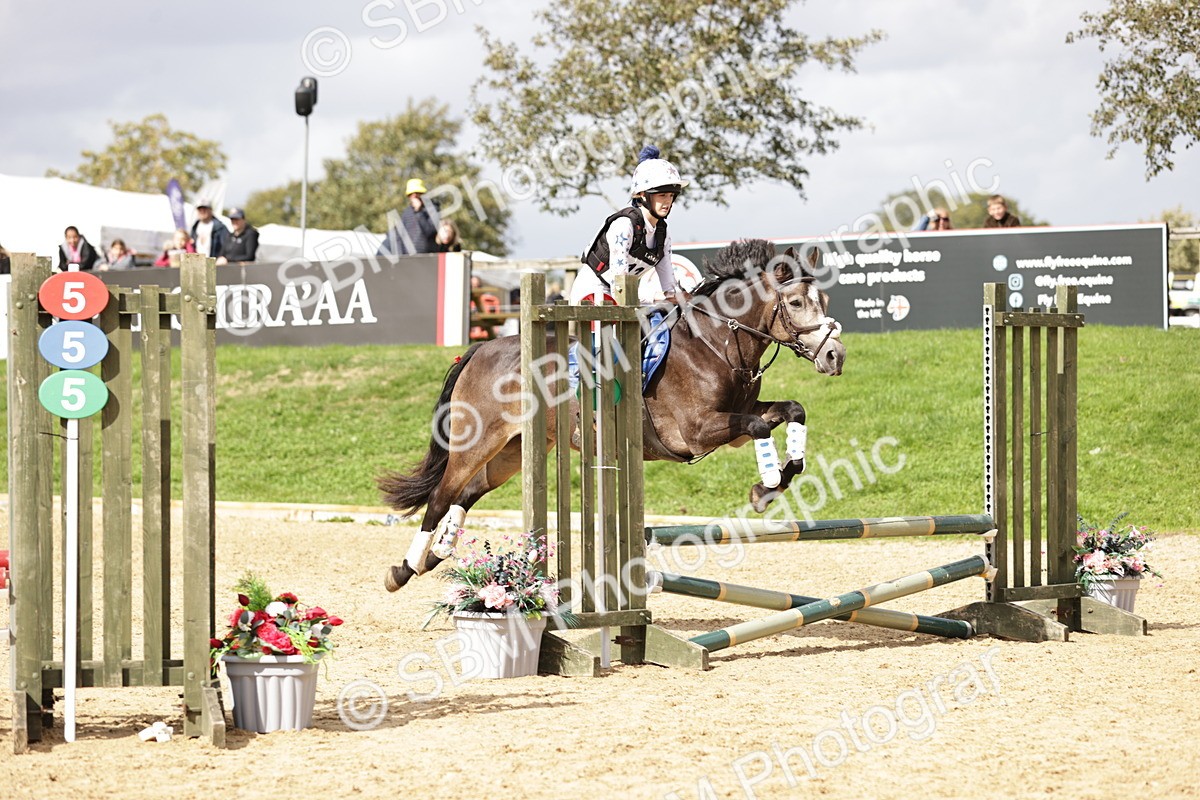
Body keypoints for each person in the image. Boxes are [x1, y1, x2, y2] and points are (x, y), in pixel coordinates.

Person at [573, 145, 687, 305]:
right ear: (642, 195)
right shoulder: (624, 226)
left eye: (671, 195)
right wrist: (657, 297)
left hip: (626, 296)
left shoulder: (663, 234)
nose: (667, 201)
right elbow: (619, 288)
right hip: (594, 293)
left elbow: (670, 288)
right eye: (662, 195)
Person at [377, 178, 440, 256]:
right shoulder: (407, 212)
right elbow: (399, 234)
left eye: (417, 193)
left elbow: (430, 231)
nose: (414, 196)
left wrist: (419, 212)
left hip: (425, 256)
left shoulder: (432, 209)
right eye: (411, 194)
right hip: (408, 257)